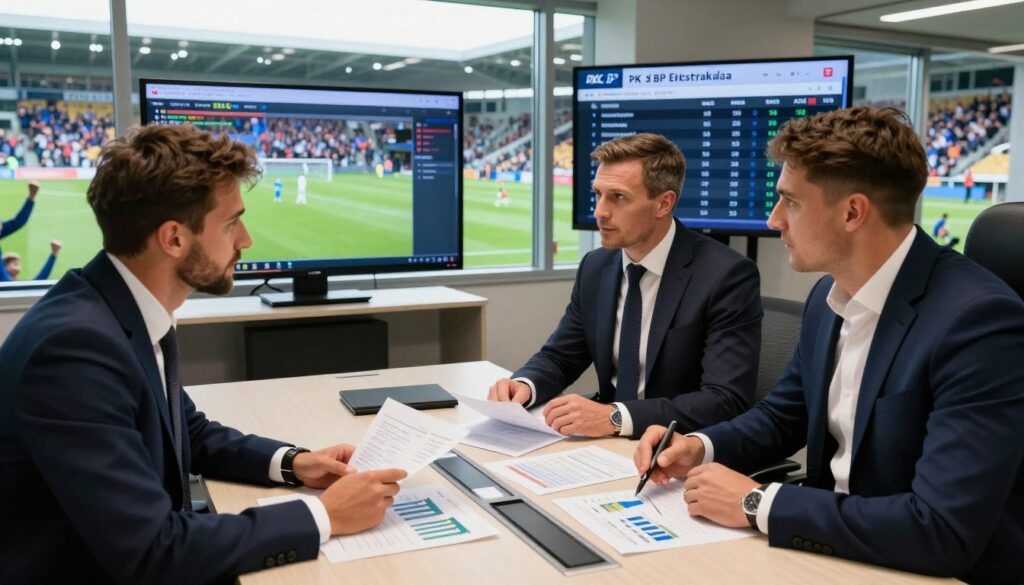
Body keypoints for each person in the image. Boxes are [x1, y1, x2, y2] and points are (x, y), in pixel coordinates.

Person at [0, 124, 406, 583]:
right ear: (174, 238)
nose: (246, 239)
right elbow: (153, 552)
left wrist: (293, 463)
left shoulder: (116, 308)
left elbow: (185, 432)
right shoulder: (74, 351)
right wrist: (323, 516)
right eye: (232, 222)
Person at [633, 107, 1024, 584]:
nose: (775, 220)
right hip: (826, 552)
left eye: (790, 202)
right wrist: (699, 446)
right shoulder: (828, 295)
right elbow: (782, 416)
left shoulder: (978, 323)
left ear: (852, 212)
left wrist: (757, 502)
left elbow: (941, 529)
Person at [489, 133, 762, 439]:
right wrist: (525, 385)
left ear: (663, 203)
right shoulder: (596, 266)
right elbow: (561, 356)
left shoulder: (725, 275)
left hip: (676, 451)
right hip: (605, 445)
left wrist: (616, 417)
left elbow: (724, 399)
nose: (600, 211)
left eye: (618, 197)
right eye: (597, 194)